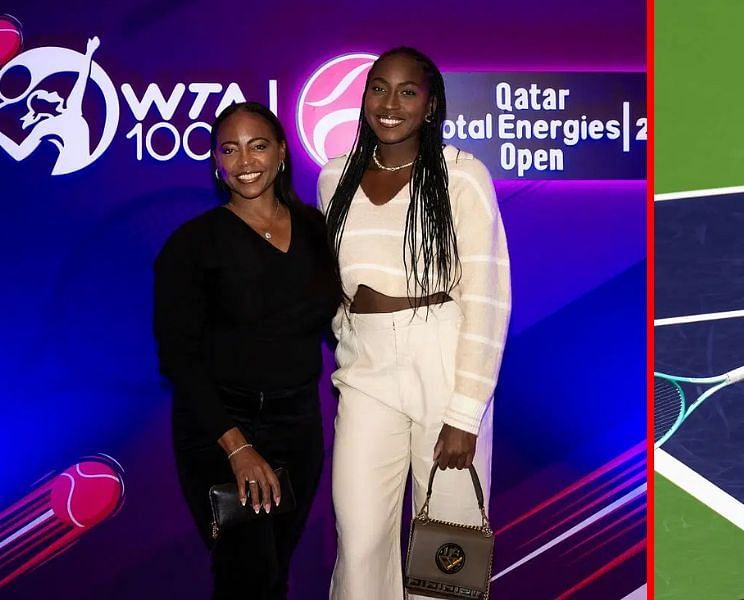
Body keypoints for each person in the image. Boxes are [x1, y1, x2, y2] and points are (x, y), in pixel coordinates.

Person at [318, 47, 510, 599]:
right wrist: (352, 345)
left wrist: (465, 411)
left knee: (447, 544)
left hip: (444, 359)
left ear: (430, 105)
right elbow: (336, 287)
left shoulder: (462, 176)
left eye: (408, 91)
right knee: (358, 538)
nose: (391, 103)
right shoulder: (335, 178)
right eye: (378, 88)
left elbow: (488, 297)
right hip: (367, 370)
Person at [154, 102, 339, 599]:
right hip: (220, 430)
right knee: (247, 577)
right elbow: (178, 357)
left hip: (298, 427)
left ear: (281, 152)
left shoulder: (319, 232)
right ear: (216, 161)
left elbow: (343, 319)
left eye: (258, 145)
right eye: (229, 149)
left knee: (274, 574)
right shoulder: (192, 244)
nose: (244, 160)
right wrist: (237, 448)